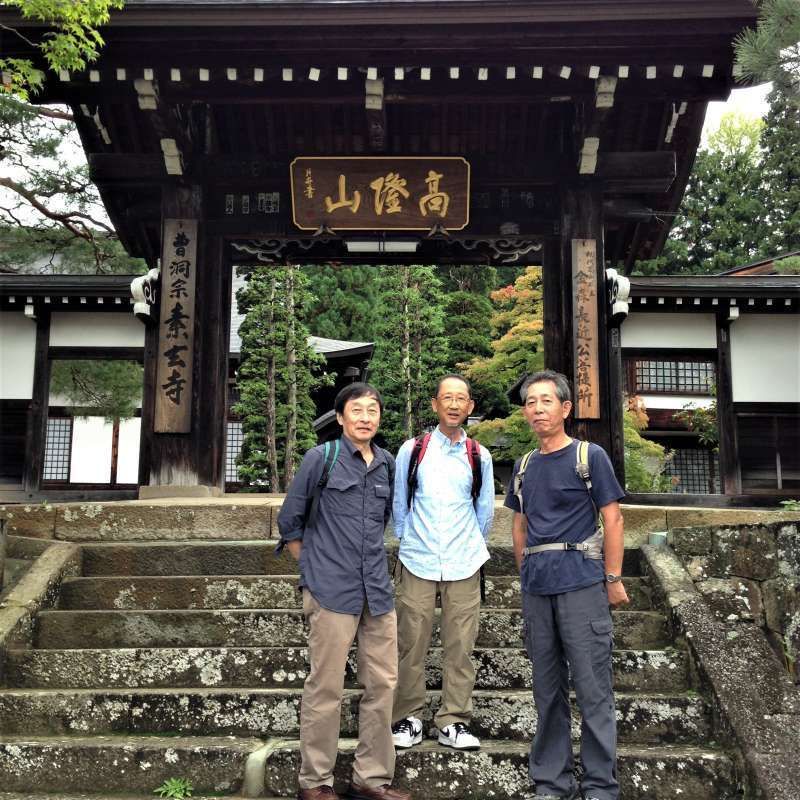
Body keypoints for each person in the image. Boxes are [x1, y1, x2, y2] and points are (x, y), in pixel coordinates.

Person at [277, 382, 412, 800]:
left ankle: (370, 779)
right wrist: (314, 570)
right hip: (330, 589)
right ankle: (314, 782)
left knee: (384, 685)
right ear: (340, 417)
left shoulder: (388, 463)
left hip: (377, 591)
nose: (366, 417)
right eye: (357, 410)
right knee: (326, 687)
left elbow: (387, 519)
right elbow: (290, 521)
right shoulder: (323, 458)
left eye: (373, 409)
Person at [504, 370, 628, 800]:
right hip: (538, 587)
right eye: (530, 402)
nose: (537, 408)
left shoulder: (589, 456)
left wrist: (612, 578)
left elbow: (613, 518)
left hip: (581, 582)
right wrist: (524, 575)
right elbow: (519, 525)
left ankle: (599, 785)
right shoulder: (523, 465)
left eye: (545, 401)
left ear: (565, 408)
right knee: (547, 689)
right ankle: (552, 783)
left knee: (593, 688)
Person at [390, 374, 495, 751]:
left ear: (470, 407)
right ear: (434, 404)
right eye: (446, 397)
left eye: (461, 399)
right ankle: (408, 717)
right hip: (417, 559)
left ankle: (454, 720)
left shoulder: (479, 455)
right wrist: (411, 542)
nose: (454, 404)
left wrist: (467, 546)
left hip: (464, 561)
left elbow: (484, 514)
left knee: (460, 646)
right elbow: (400, 506)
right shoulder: (412, 450)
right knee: (410, 644)